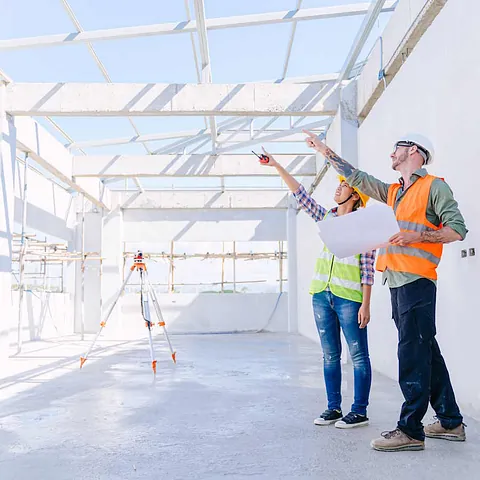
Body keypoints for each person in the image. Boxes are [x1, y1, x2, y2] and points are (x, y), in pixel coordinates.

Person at [303, 130, 468, 451]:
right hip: (396, 281)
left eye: (397, 148)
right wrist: (323, 150)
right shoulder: (395, 193)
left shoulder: (434, 186)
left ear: (415, 152)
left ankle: (410, 430)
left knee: (412, 353)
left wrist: (415, 236)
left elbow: (457, 230)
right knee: (426, 350)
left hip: (417, 280)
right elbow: (358, 178)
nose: (391, 154)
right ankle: (450, 421)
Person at [258, 147, 375, 429]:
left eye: (344, 185)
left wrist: (366, 304)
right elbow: (301, 194)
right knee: (330, 354)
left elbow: (368, 269)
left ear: (356, 195)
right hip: (321, 295)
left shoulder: (365, 227)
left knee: (358, 355)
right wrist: (276, 165)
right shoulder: (327, 218)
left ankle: (359, 411)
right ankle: (333, 408)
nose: (338, 189)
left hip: (350, 298)